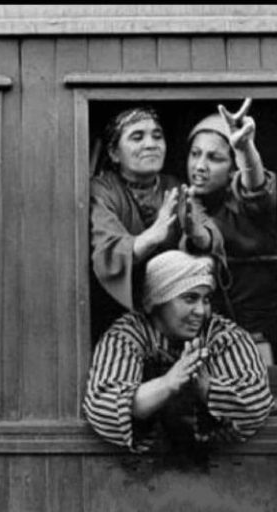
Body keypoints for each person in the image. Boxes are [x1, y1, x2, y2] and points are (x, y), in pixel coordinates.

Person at [83, 250, 273, 454]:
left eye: (206, 299)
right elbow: (101, 409)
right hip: (139, 468)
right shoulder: (127, 336)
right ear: (158, 301)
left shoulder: (223, 335)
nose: (201, 311)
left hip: (216, 465)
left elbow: (257, 404)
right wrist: (169, 383)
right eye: (190, 299)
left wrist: (206, 387)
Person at [90, 106, 224, 336]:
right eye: (137, 137)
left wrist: (198, 234)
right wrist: (152, 235)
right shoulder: (102, 190)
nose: (151, 144)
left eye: (157, 136)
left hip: (178, 315)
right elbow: (107, 254)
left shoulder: (174, 186)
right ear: (114, 153)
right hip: (120, 314)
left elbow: (210, 234)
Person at [185, 98, 277, 364]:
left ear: (233, 168)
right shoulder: (182, 200)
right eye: (195, 154)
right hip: (200, 343)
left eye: (214, 158)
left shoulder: (249, 204)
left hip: (256, 342)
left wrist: (245, 150)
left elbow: (256, 191)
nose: (200, 166)